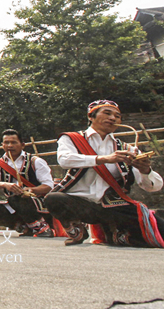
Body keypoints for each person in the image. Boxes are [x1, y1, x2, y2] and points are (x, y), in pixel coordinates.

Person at [45, 100, 164, 247]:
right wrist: (105, 159)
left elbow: (154, 187)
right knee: (53, 198)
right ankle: (77, 229)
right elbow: (65, 160)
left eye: (117, 116)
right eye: (107, 113)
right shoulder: (71, 139)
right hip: (80, 204)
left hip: (113, 205)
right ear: (91, 116)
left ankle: (115, 236)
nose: (113, 118)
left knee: (158, 230)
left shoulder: (127, 149)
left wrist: (145, 170)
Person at [0, 129, 55, 237]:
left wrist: (30, 190)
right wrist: (5, 184)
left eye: (13, 142)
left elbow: (48, 185)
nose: (10, 145)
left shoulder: (35, 161)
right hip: (13, 203)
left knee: (20, 199)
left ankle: (41, 227)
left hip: (36, 203)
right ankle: (25, 227)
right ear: (2, 145)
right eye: (6, 143)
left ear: (22, 145)